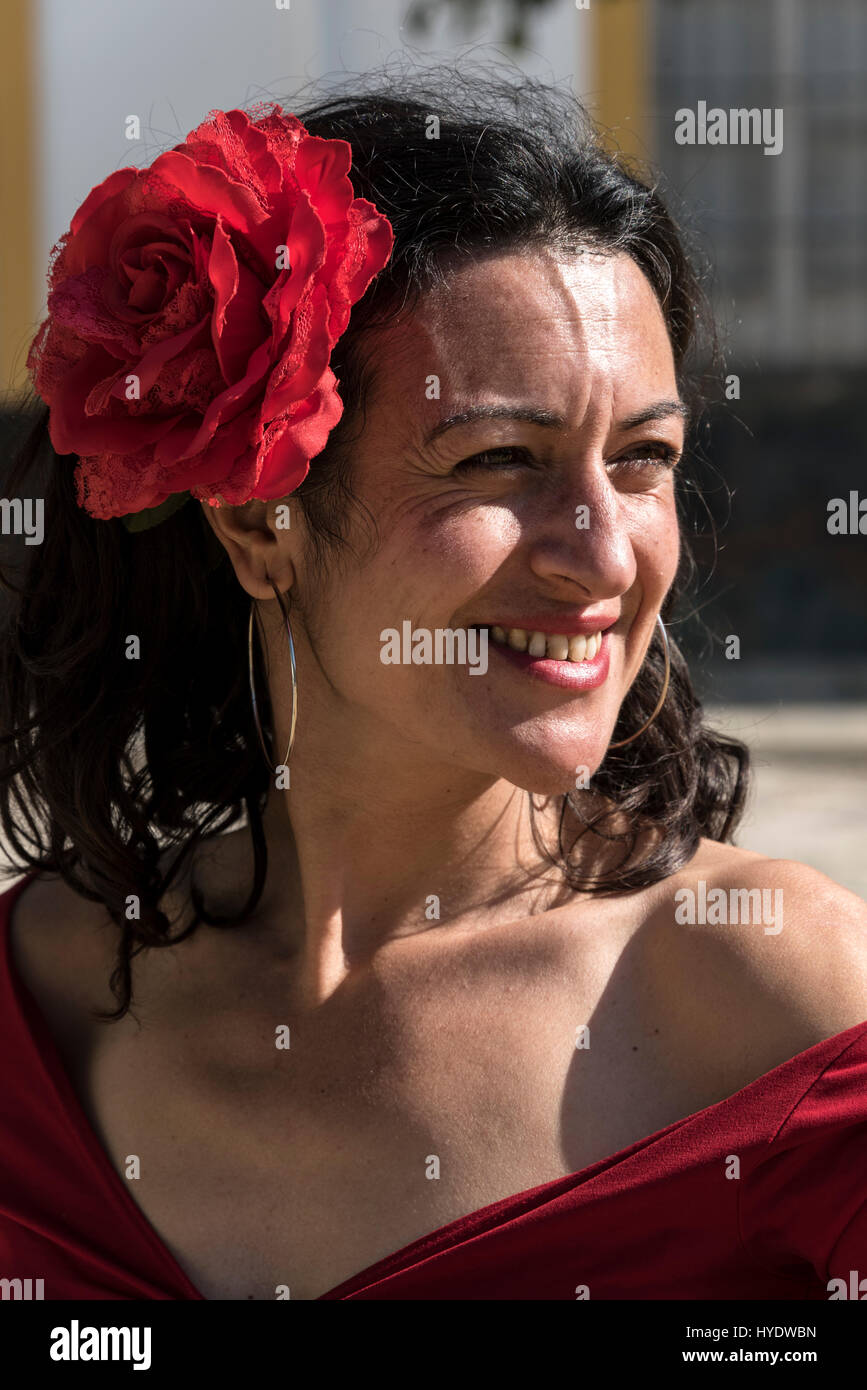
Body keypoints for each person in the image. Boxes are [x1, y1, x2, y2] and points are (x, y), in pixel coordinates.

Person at [1, 75, 865, 1303]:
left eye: (644, 460)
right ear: (259, 528)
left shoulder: (772, 993)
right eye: (500, 460)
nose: (606, 555)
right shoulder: (37, 1003)